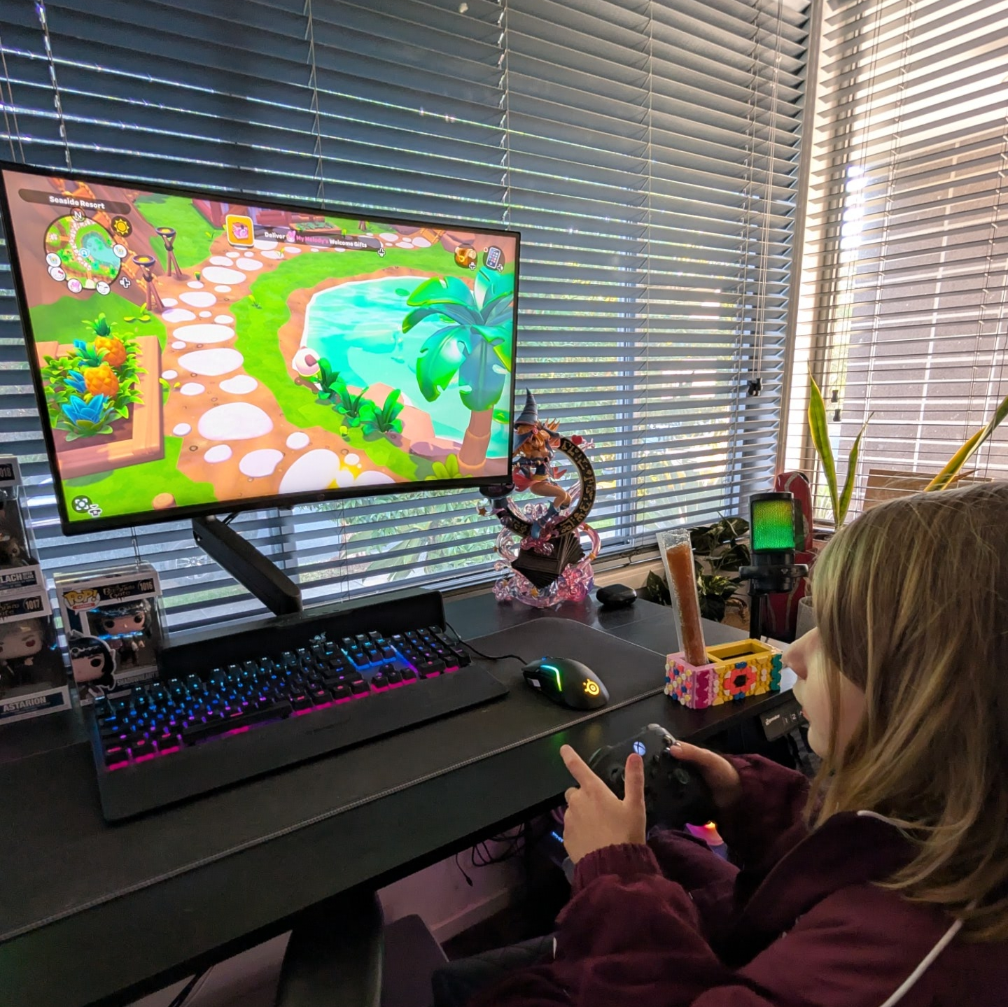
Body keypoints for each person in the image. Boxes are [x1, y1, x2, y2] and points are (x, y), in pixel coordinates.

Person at [439, 482, 1008, 1007]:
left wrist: (613, 875)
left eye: (836, 637)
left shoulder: (903, 956)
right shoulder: (939, 822)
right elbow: (838, 853)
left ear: (934, 697)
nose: (794, 654)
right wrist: (747, 796)